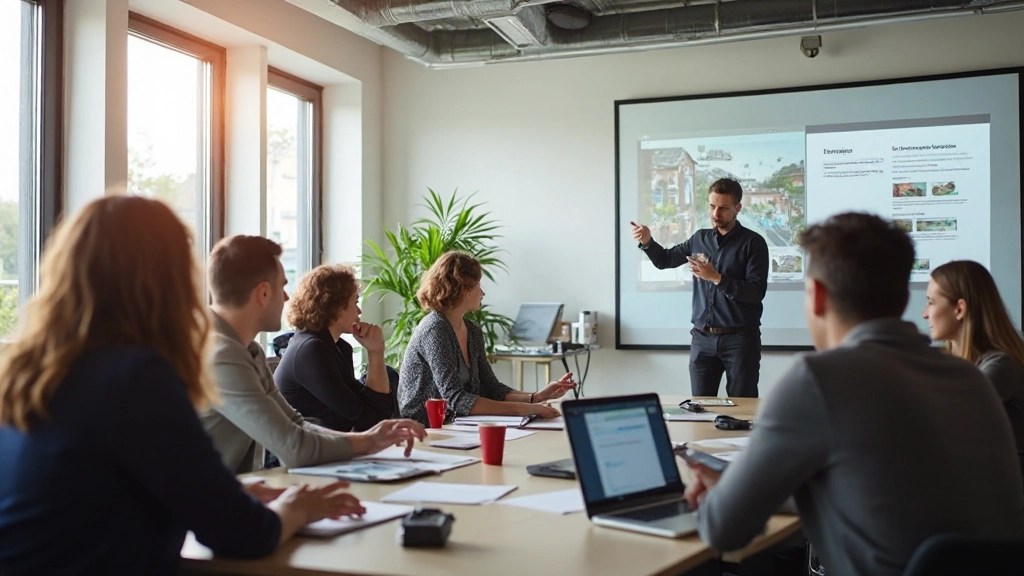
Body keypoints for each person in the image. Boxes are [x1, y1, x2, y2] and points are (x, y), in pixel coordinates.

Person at [0, 197, 364, 576]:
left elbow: (99, 492)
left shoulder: (30, 371)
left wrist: (228, 495)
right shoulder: (135, 374)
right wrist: (298, 507)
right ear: (167, 279)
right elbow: (242, 533)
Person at [683, 213, 1024, 576]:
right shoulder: (966, 378)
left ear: (816, 297)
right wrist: (753, 491)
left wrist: (732, 492)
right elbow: (883, 494)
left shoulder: (818, 380)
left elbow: (723, 531)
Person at [202, 236, 425, 474]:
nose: (287, 298)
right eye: (282, 287)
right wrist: (368, 442)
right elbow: (294, 447)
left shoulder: (249, 350)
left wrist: (372, 437)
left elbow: (295, 424)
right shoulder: (221, 355)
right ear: (264, 293)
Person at [398, 251, 576, 426]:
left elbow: (491, 387)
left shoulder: (472, 331)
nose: (482, 292)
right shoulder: (435, 329)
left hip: (456, 425)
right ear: (463, 289)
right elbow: (455, 399)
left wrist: (537, 397)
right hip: (424, 429)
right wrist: (528, 409)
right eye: (478, 285)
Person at [631, 178, 769, 397]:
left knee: (743, 410)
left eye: (723, 208)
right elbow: (665, 260)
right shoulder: (699, 238)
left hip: (740, 340)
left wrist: (716, 277)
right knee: (701, 409)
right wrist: (648, 241)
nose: (716, 214)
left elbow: (755, 292)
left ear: (737, 208)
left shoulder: (753, 243)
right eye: (712, 206)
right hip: (702, 339)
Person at [924, 260, 1024, 480]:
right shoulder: (960, 363)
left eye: (931, 303)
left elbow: (941, 422)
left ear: (960, 308)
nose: (925, 314)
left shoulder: (1000, 366)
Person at [275, 263, 399, 432]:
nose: (359, 311)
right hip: (304, 454)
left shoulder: (338, 347)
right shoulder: (311, 351)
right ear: (337, 307)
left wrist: (375, 352)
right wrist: (375, 352)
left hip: (327, 447)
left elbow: (373, 416)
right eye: (355, 302)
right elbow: (368, 422)